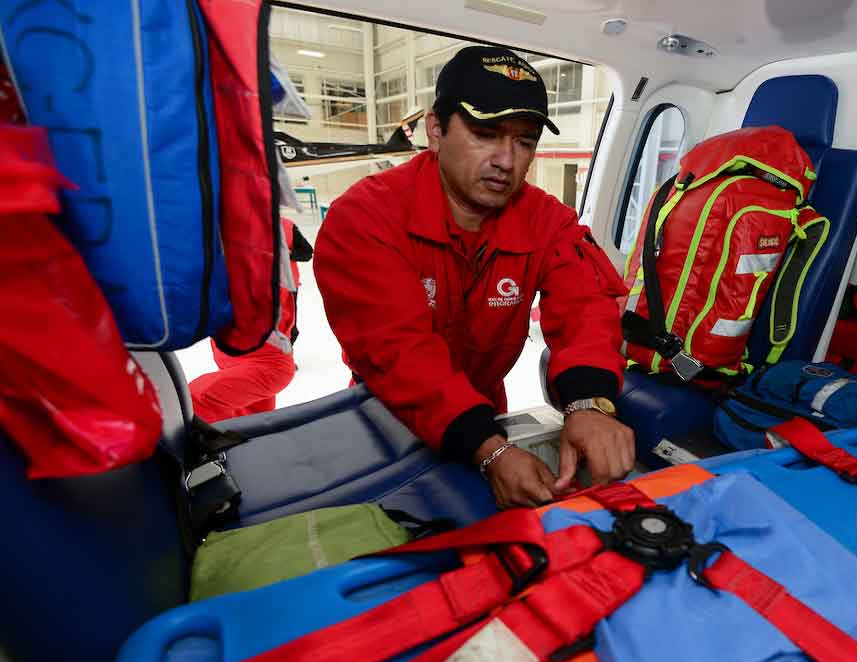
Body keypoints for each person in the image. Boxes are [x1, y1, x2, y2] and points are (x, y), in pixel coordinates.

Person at [314, 46, 634, 509]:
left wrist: (587, 404)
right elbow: (399, 354)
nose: (507, 160)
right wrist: (489, 449)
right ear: (435, 129)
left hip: (486, 407)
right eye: (486, 133)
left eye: (524, 141)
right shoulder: (365, 218)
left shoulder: (548, 221)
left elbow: (587, 306)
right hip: (387, 414)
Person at [188, 219, 310, 422]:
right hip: (235, 357)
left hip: (264, 358)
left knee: (194, 400)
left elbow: (305, 252)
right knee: (252, 425)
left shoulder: (277, 232)